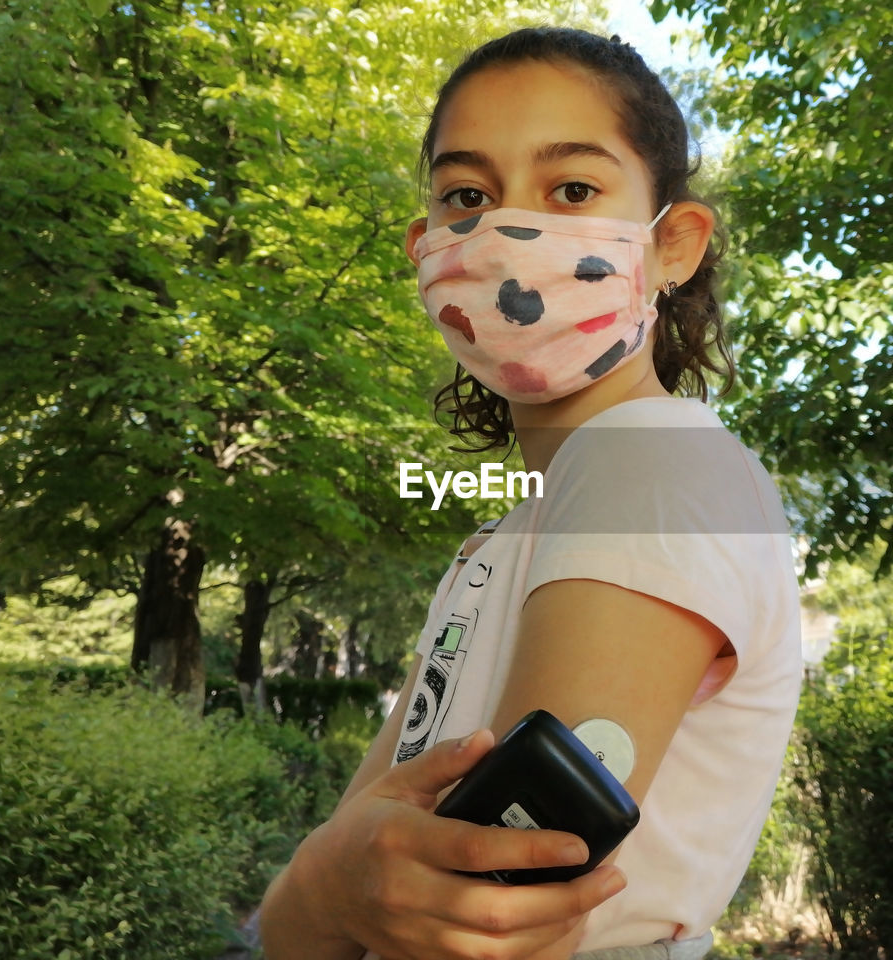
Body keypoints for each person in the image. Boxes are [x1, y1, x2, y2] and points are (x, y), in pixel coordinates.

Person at [259, 26, 802, 960]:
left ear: (672, 244)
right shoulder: (509, 537)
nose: (508, 231)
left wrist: (326, 887)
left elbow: (487, 924)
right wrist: (326, 887)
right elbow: (314, 908)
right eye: (466, 195)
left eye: (574, 190)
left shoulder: (651, 463)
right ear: (425, 250)